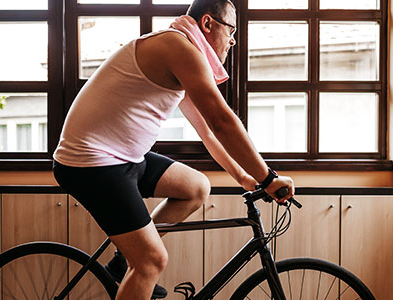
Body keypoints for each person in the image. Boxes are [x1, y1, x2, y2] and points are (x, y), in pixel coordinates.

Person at [52, 0, 294, 299]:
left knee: (196, 187)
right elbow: (222, 121)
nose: (233, 40)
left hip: (124, 158)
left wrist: (245, 178)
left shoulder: (182, 49)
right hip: (91, 164)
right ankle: (136, 262)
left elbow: (206, 129)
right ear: (208, 24)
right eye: (231, 29)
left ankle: (122, 262)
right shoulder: (177, 48)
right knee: (151, 261)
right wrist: (269, 178)